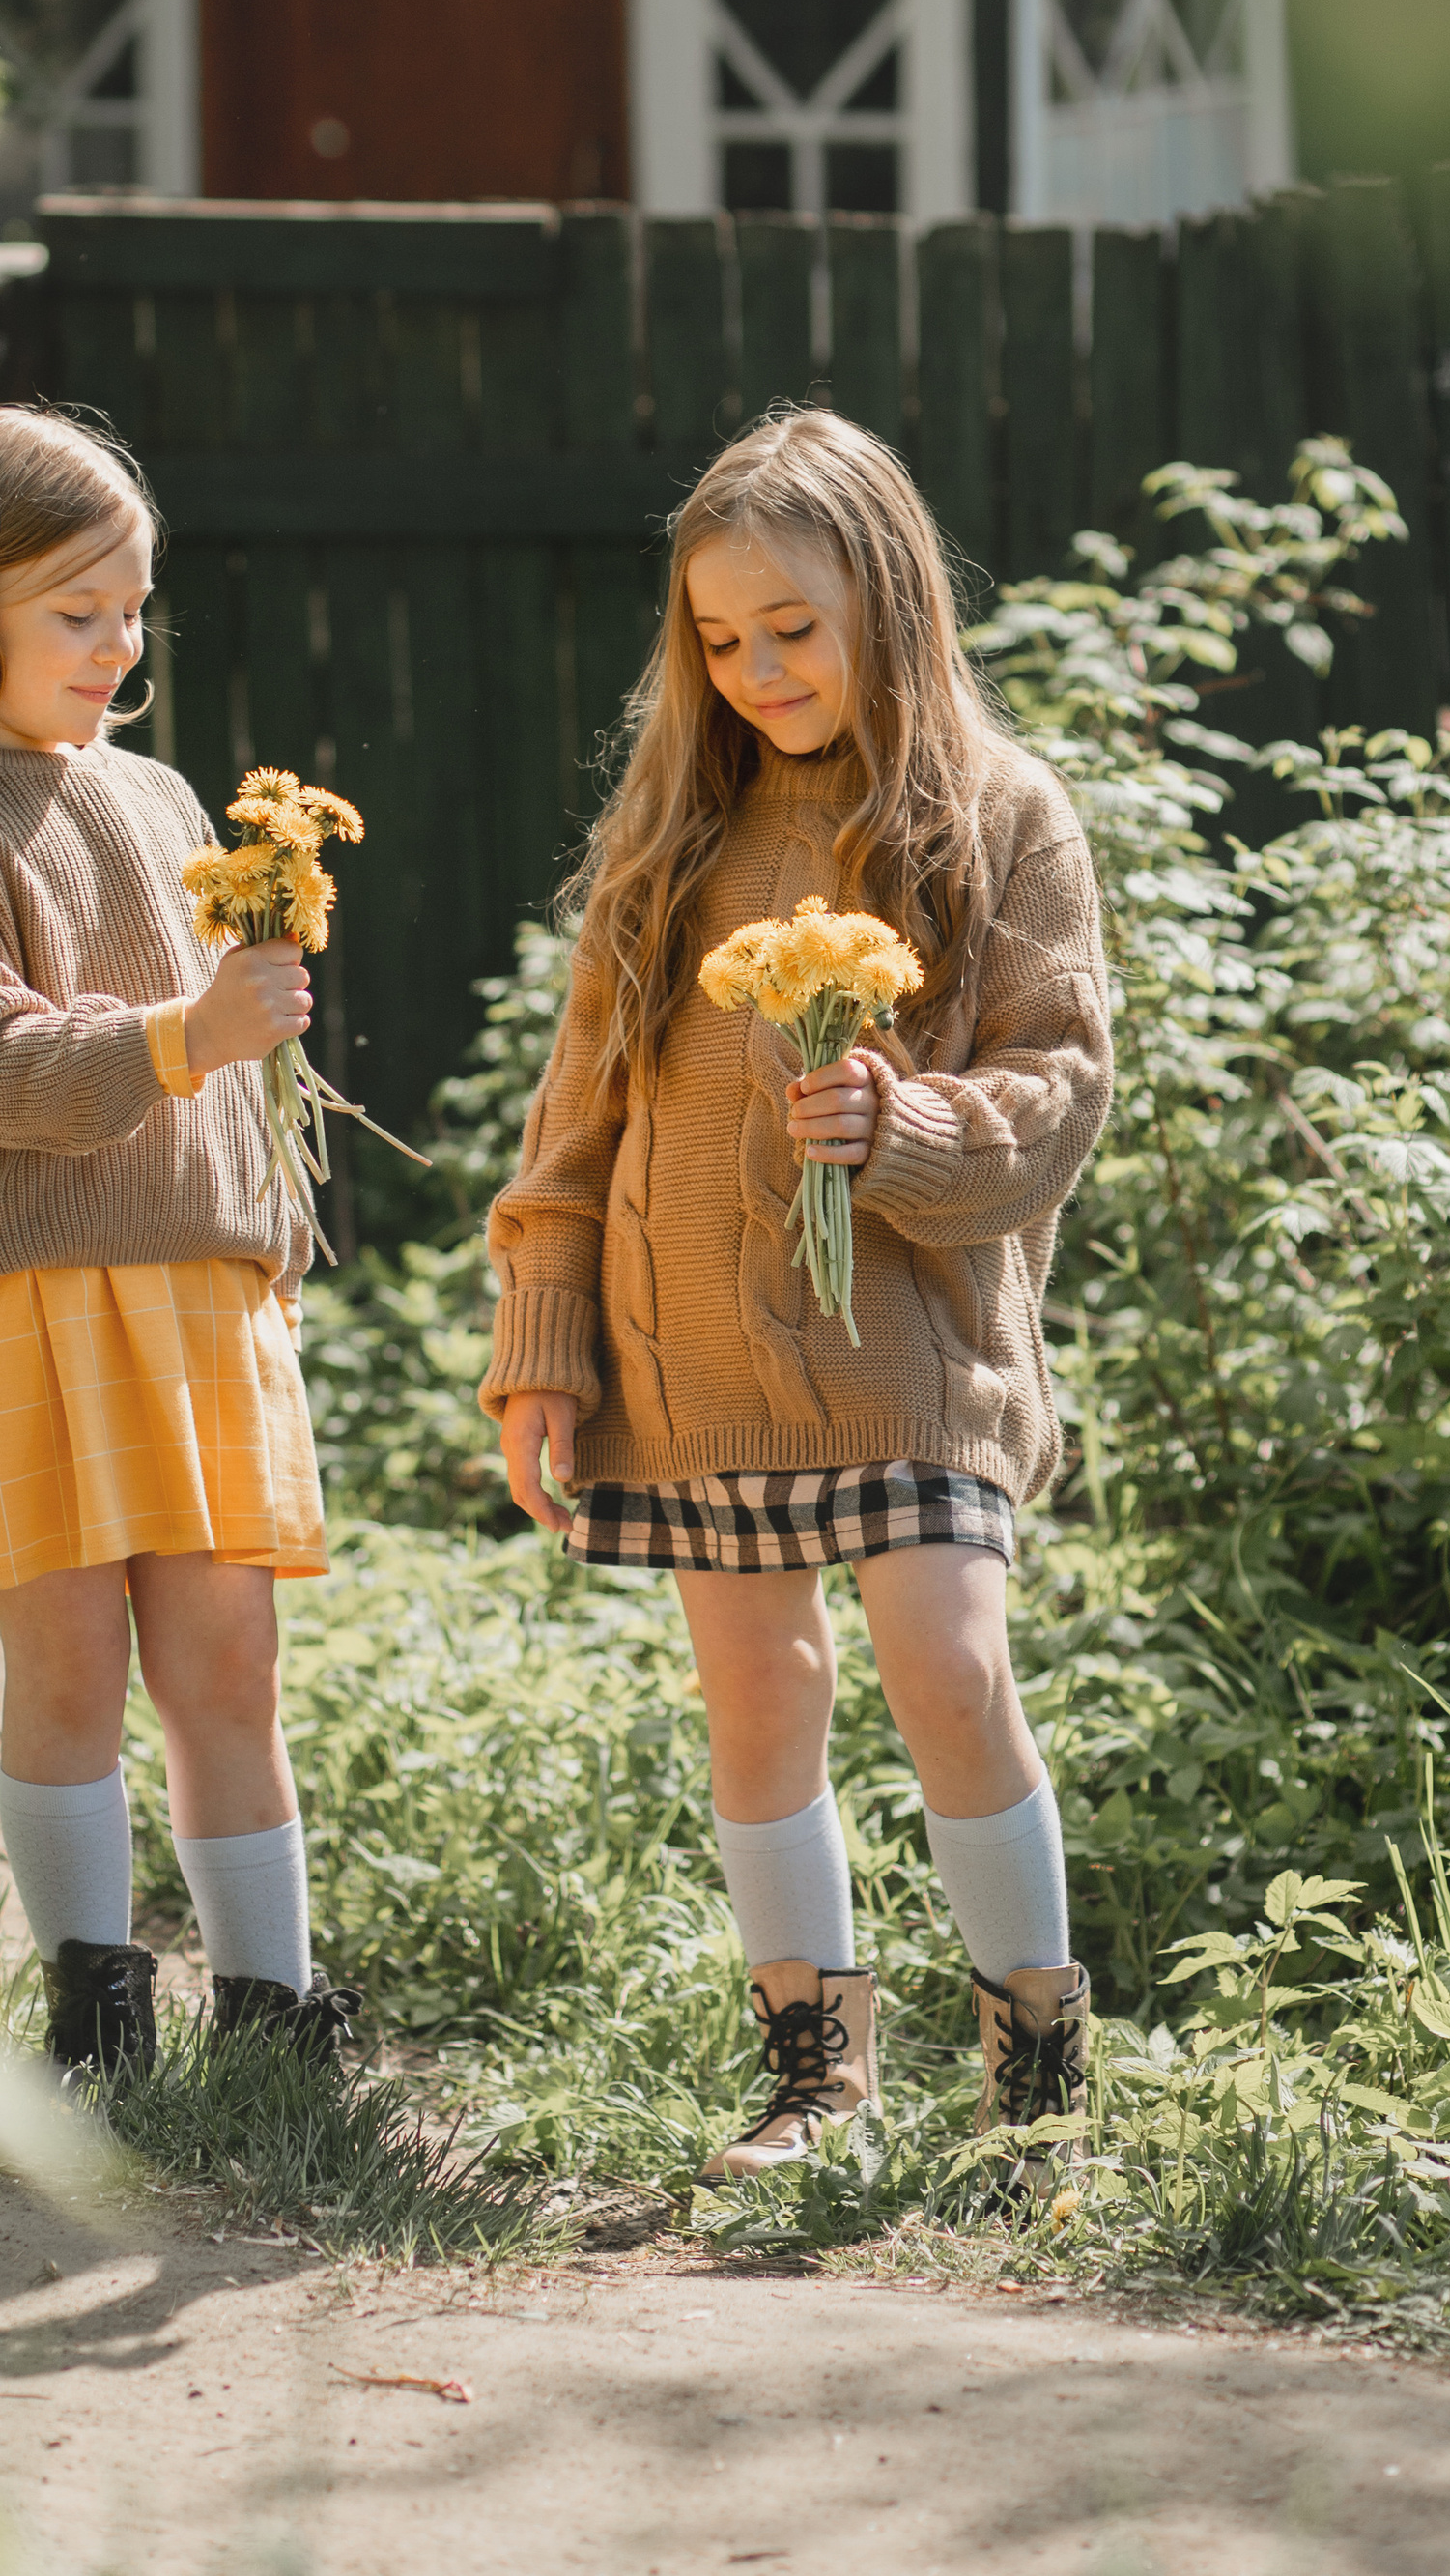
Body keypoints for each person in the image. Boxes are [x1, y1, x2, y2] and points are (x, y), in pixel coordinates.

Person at [484, 406, 1113, 2178]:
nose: (756, 669)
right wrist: (545, 1349)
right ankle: (815, 2079)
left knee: (948, 1660)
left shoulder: (1001, 818)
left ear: (892, 605)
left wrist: (904, 1127)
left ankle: (1037, 2089)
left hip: (912, 1353)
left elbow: (1058, 1091)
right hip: (693, 1359)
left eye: (794, 630)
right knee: (759, 1699)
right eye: (718, 638)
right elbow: (572, 1124)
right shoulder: (675, 832)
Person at [0, 405, 355, 2083]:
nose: (119, 645)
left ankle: (271, 2013)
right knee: (64, 1658)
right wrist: (187, 1034)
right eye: (75, 612)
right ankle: (93, 2009)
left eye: (133, 608)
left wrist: (268, 1232)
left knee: (227, 1661)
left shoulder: (168, 794)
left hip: (193, 1295)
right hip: (19, 1297)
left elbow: (225, 1095)